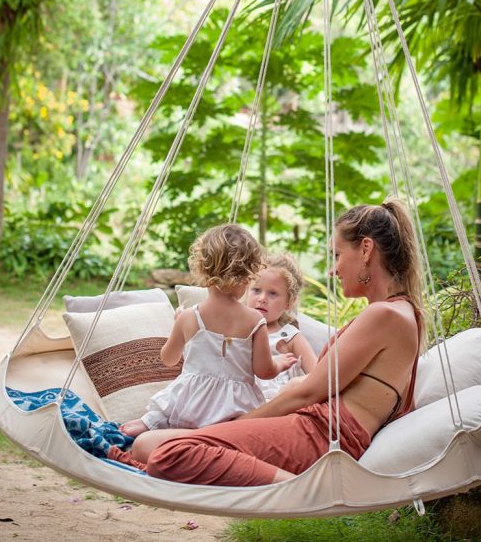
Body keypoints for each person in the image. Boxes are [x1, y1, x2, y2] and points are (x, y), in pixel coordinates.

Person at [120, 199, 425, 485]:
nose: (333, 269)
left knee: (166, 455)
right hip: (309, 427)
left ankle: (300, 489)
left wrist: (230, 427)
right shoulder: (402, 313)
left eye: (337, 254)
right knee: (146, 444)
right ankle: (289, 482)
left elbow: (308, 392)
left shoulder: (385, 315)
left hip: (315, 435)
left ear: (367, 249)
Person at [118, 224, 297, 441]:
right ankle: (202, 436)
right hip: (233, 412)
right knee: (256, 423)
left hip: (189, 406)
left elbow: (168, 358)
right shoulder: (255, 320)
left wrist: (180, 327)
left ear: (202, 268)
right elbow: (264, 371)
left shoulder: (189, 317)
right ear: (249, 275)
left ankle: (152, 423)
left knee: (172, 401)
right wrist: (280, 363)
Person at [247, 253, 316, 399]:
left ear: (289, 302)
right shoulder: (236, 328)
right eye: (256, 290)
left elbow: (318, 375)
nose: (262, 299)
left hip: (277, 404)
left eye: (272, 293)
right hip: (241, 401)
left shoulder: (290, 337)